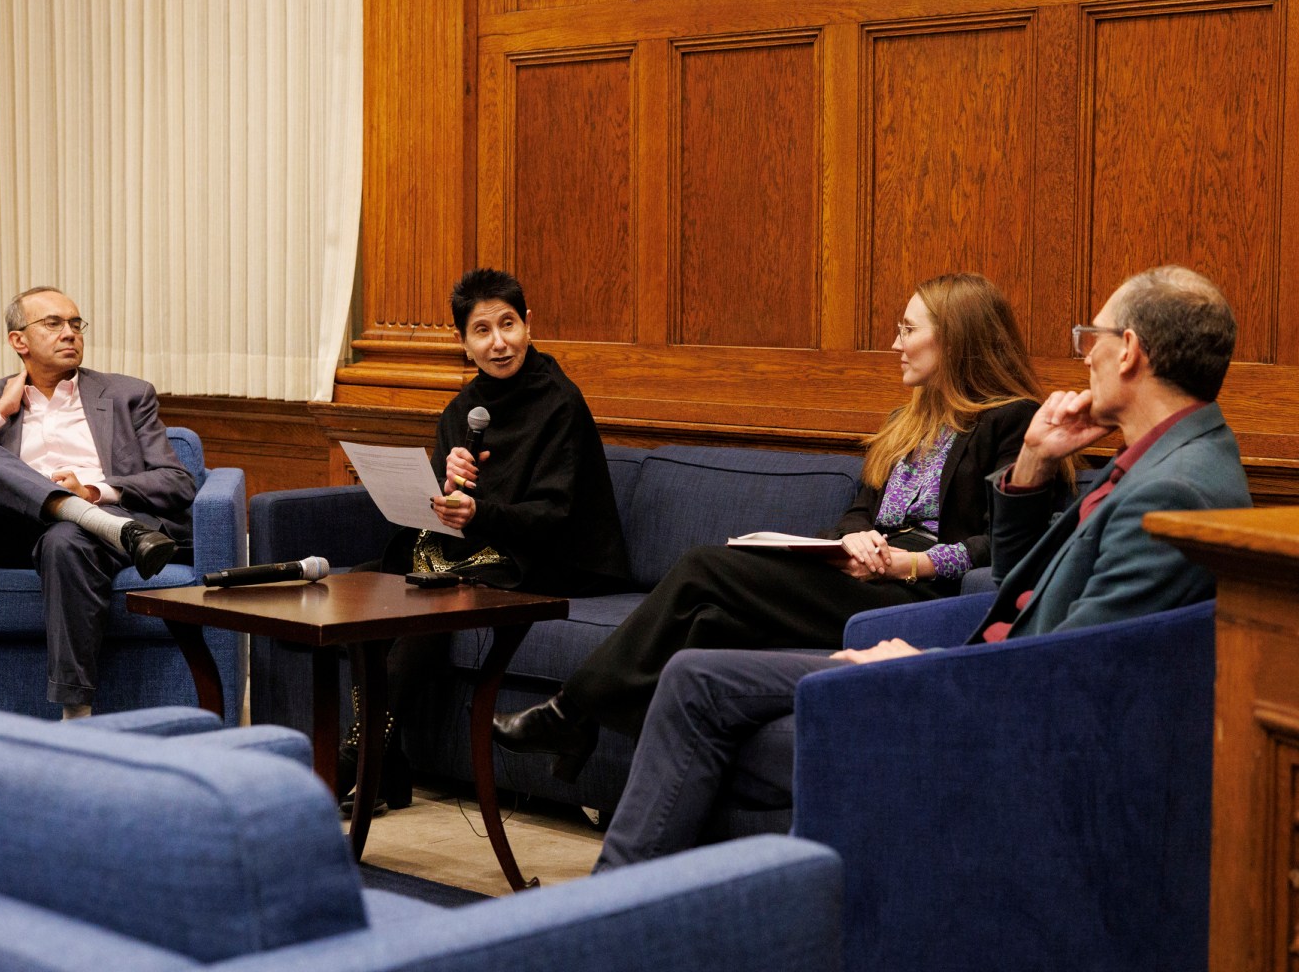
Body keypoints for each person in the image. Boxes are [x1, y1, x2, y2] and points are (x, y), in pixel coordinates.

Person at [593, 264, 1252, 870]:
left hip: (990, 707)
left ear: (1128, 350)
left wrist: (921, 664)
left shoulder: (1173, 490)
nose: (1085, 355)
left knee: (699, 677)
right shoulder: (1163, 459)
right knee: (695, 669)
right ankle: (630, 907)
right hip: (983, 668)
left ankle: (605, 914)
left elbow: (1069, 671)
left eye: (1091, 337)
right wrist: (1031, 465)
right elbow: (1016, 584)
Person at [494, 272, 1052, 780]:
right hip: (862, 572)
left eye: (908, 330)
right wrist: (852, 537)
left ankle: (572, 711)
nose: (895, 343)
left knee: (702, 567)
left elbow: (1009, 540)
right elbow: (861, 509)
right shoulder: (905, 420)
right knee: (709, 623)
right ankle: (651, 780)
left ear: (954, 339)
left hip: (918, 593)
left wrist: (914, 562)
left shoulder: (1012, 419)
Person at [339, 267, 630, 812]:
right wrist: (445, 486)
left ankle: (360, 756)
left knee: (435, 593)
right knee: (364, 587)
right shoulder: (464, 408)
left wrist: (478, 511)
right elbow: (445, 505)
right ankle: (384, 762)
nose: (499, 343)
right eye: (482, 330)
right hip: (483, 544)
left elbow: (554, 513)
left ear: (528, 324)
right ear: (463, 341)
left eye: (508, 324)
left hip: (553, 555)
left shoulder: (560, 402)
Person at [0, 286, 193, 720]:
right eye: (53, 323)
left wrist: (92, 491)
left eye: (75, 324)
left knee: (66, 539)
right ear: (19, 340)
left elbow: (177, 481)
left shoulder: (127, 394)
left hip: (88, 533)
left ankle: (76, 714)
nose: (70, 333)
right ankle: (73, 511)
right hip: (8, 535)